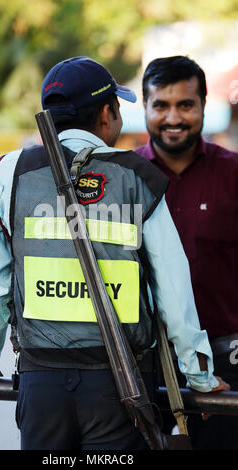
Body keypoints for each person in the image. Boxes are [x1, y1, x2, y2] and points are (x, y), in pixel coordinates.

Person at [0, 56, 229, 451]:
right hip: (121, 386)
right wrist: (202, 378)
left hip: (41, 386)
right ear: (107, 114)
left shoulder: (7, 173)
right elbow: (174, 293)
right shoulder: (139, 177)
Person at [136, 55, 238, 450]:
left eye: (185, 105)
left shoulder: (232, 174)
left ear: (203, 107)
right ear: (145, 107)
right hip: (143, 364)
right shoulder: (123, 179)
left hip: (227, 359)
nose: (173, 117)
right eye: (161, 105)